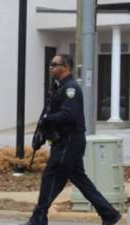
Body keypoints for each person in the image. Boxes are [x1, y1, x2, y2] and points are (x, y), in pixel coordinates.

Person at [23, 54, 122, 225]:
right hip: (66, 142)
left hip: (68, 142)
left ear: (66, 67)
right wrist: (44, 131)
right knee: (81, 181)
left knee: (51, 177)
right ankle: (110, 214)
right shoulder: (59, 87)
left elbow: (68, 115)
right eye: (50, 64)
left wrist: (48, 119)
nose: (50, 67)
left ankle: (38, 218)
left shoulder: (71, 89)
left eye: (54, 64)